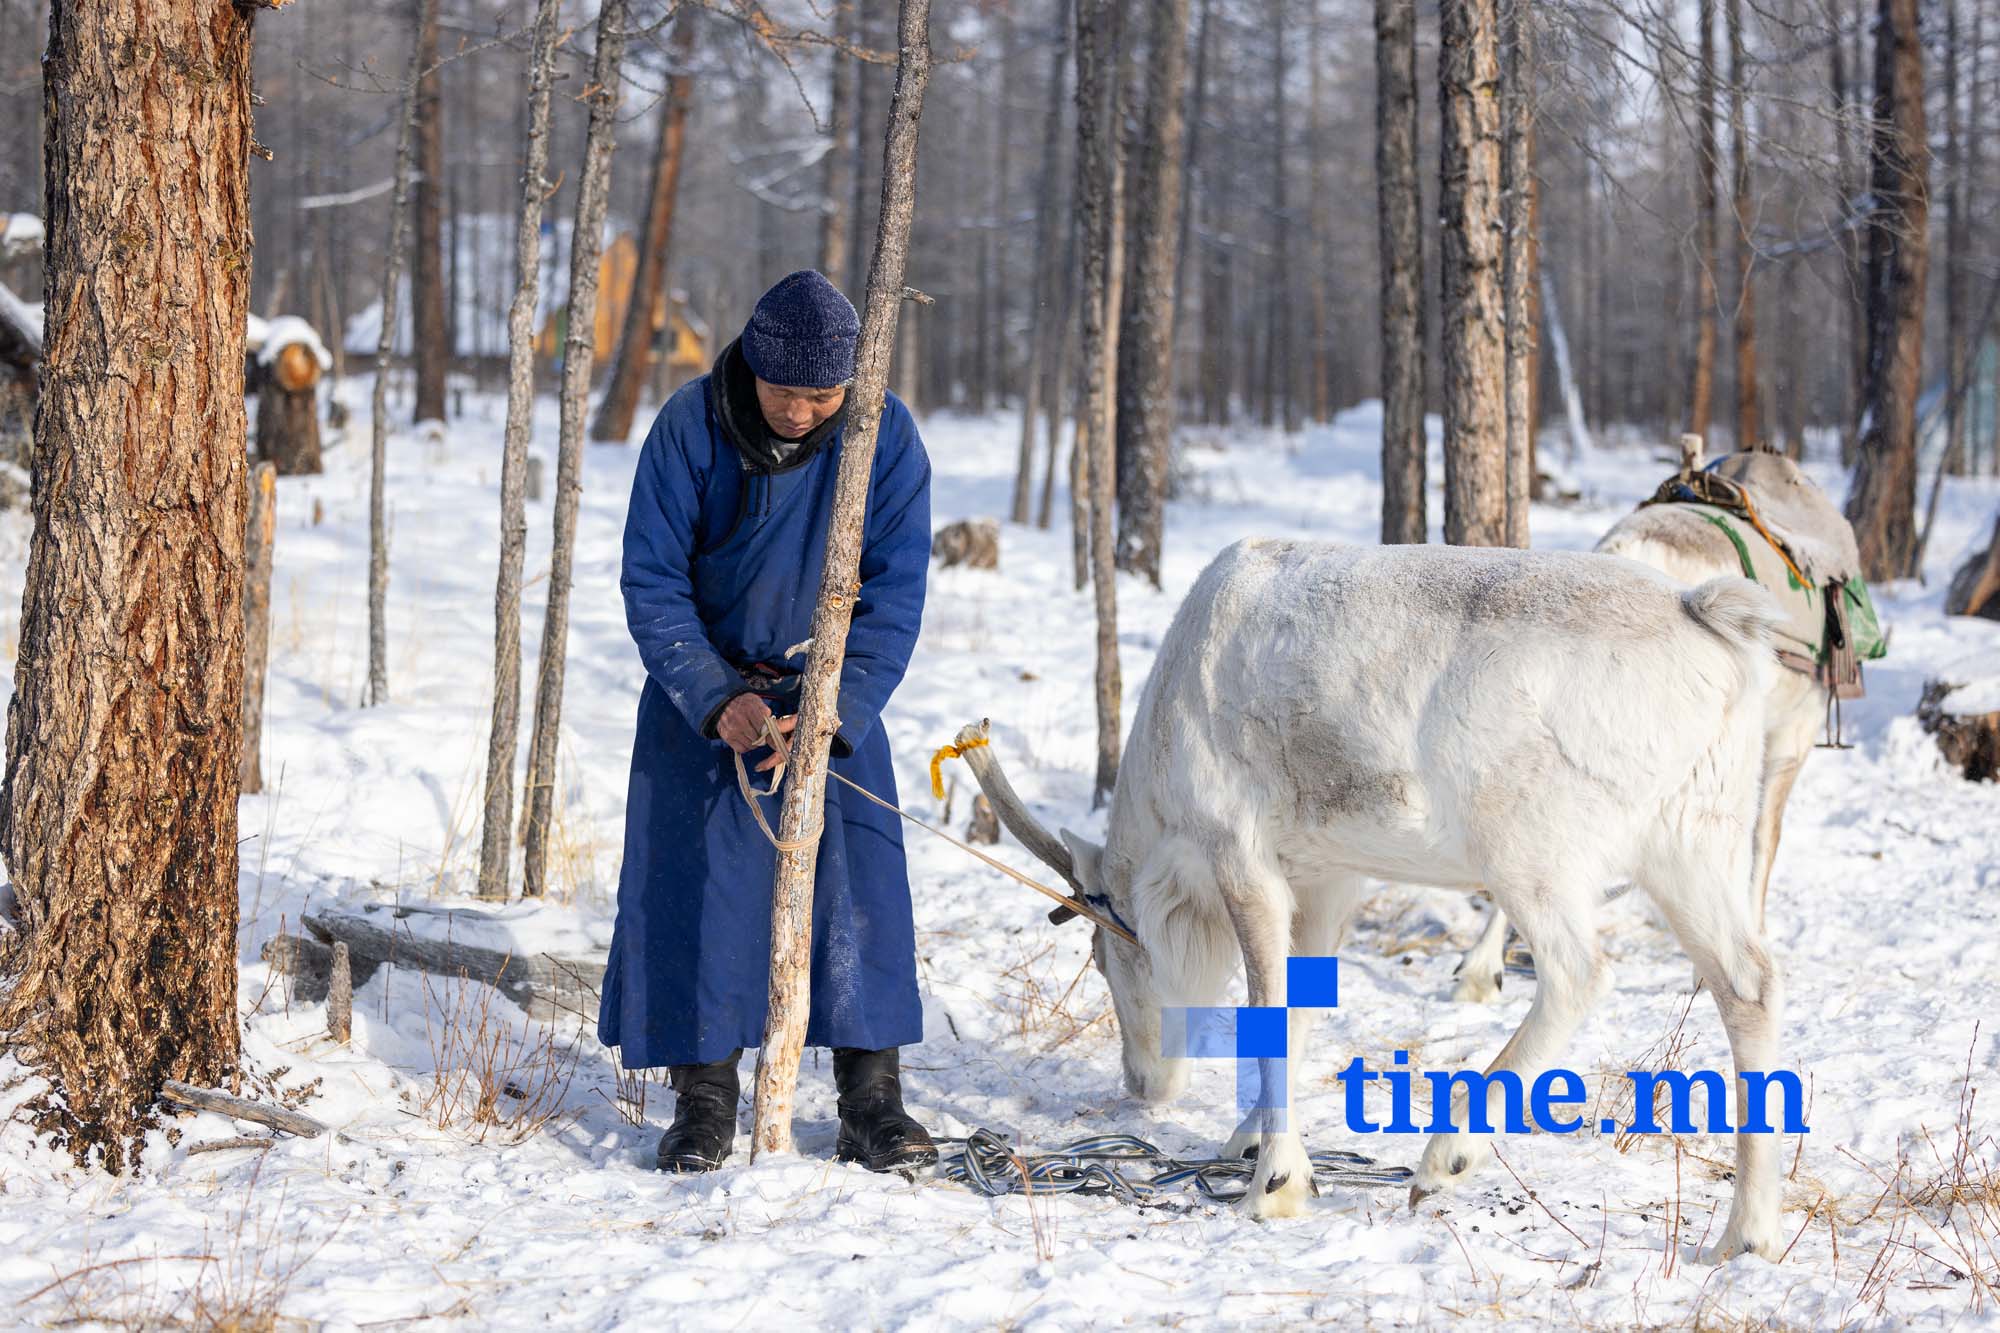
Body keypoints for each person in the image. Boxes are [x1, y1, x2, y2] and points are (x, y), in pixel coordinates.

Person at [599, 269, 937, 1175]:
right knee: (702, 894)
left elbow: (895, 596)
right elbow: (652, 579)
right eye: (786, 392)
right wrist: (718, 699)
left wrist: (835, 709)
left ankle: (874, 1101)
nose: (801, 411)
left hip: (828, 703)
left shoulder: (883, 436)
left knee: (858, 889)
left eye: (822, 395)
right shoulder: (689, 426)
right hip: (706, 701)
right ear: (753, 368)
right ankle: (704, 1099)